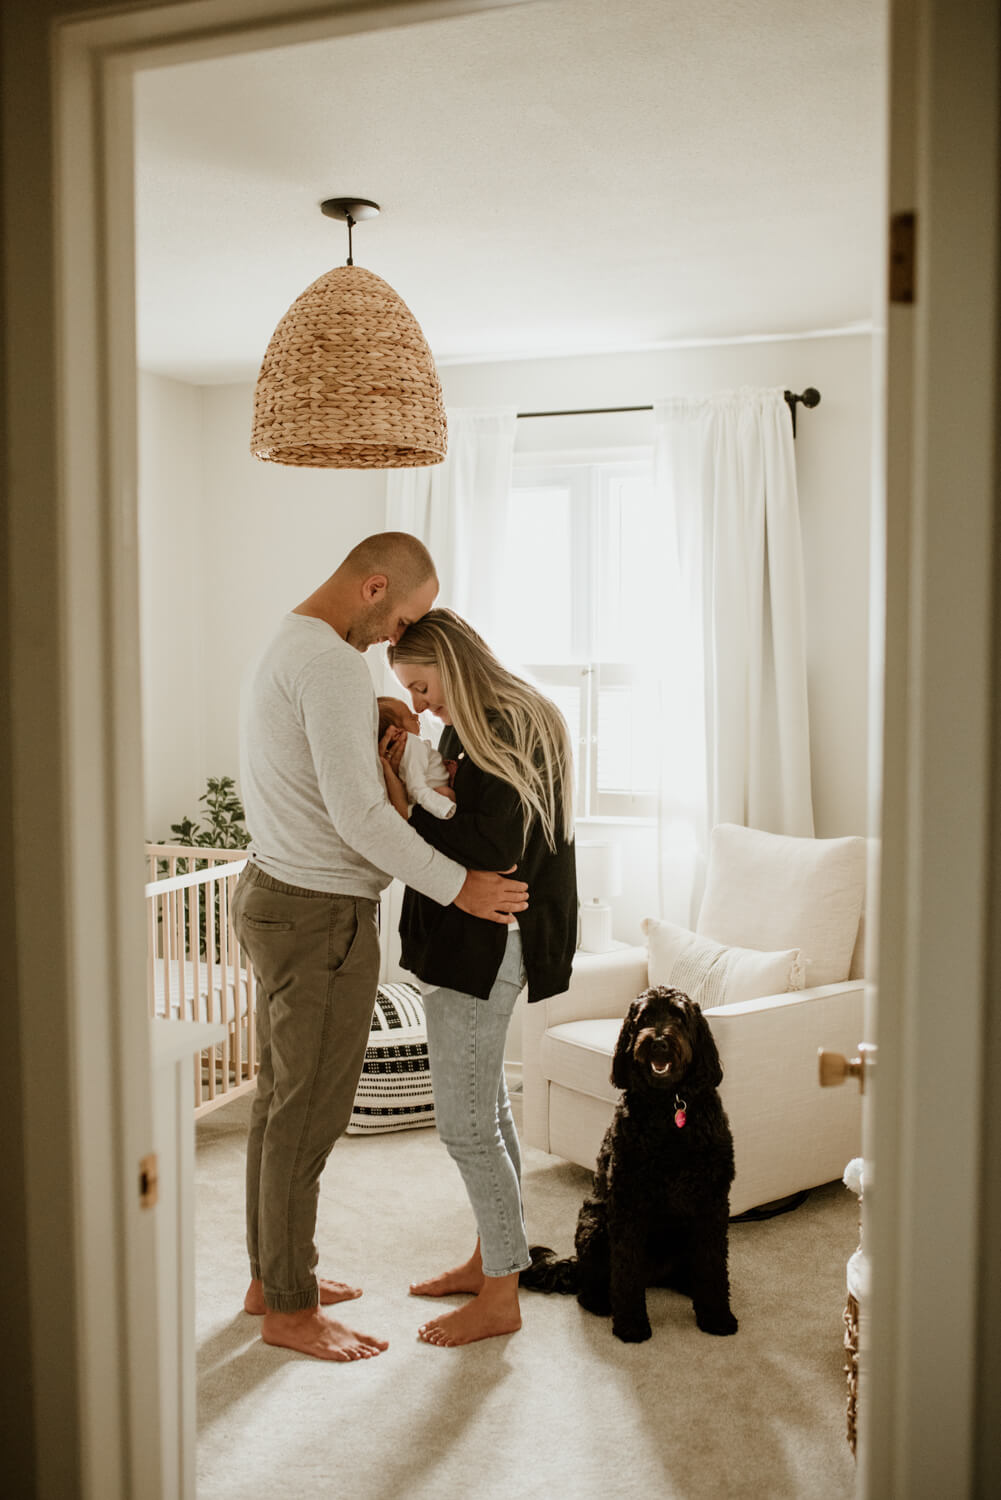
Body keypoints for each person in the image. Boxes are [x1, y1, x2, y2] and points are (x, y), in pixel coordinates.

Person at [230, 534, 529, 1365]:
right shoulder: (329, 663)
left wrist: (369, 715)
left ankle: (272, 1278)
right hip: (319, 913)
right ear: (370, 589)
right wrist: (460, 887)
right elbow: (363, 818)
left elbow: (307, 749)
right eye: (400, 617)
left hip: (275, 897)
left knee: (276, 1103)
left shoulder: (291, 642)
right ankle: (288, 1310)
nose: (398, 636)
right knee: (309, 1112)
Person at [385, 609, 577, 1347]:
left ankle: (501, 1296)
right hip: (481, 940)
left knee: (463, 1127)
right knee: (488, 1107)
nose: (422, 704)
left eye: (422, 685)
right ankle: (494, 1257)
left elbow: (489, 845)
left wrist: (402, 802)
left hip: (488, 945)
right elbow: (476, 827)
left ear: (450, 664)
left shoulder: (503, 723)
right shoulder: (487, 721)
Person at [377, 695, 456, 819]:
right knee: (447, 794)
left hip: (420, 796)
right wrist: (441, 805)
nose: (416, 715)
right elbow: (416, 781)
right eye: (410, 716)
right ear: (396, 733)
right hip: (429, 793)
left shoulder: (400, 751)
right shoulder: (412, 742)